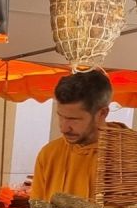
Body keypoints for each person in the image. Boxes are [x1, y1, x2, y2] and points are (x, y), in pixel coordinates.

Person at [32, 69, 111, 200]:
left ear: (102, 113)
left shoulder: (130, 158)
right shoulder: (49, 154)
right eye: (61, 116)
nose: (63, 128)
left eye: (74, 119)